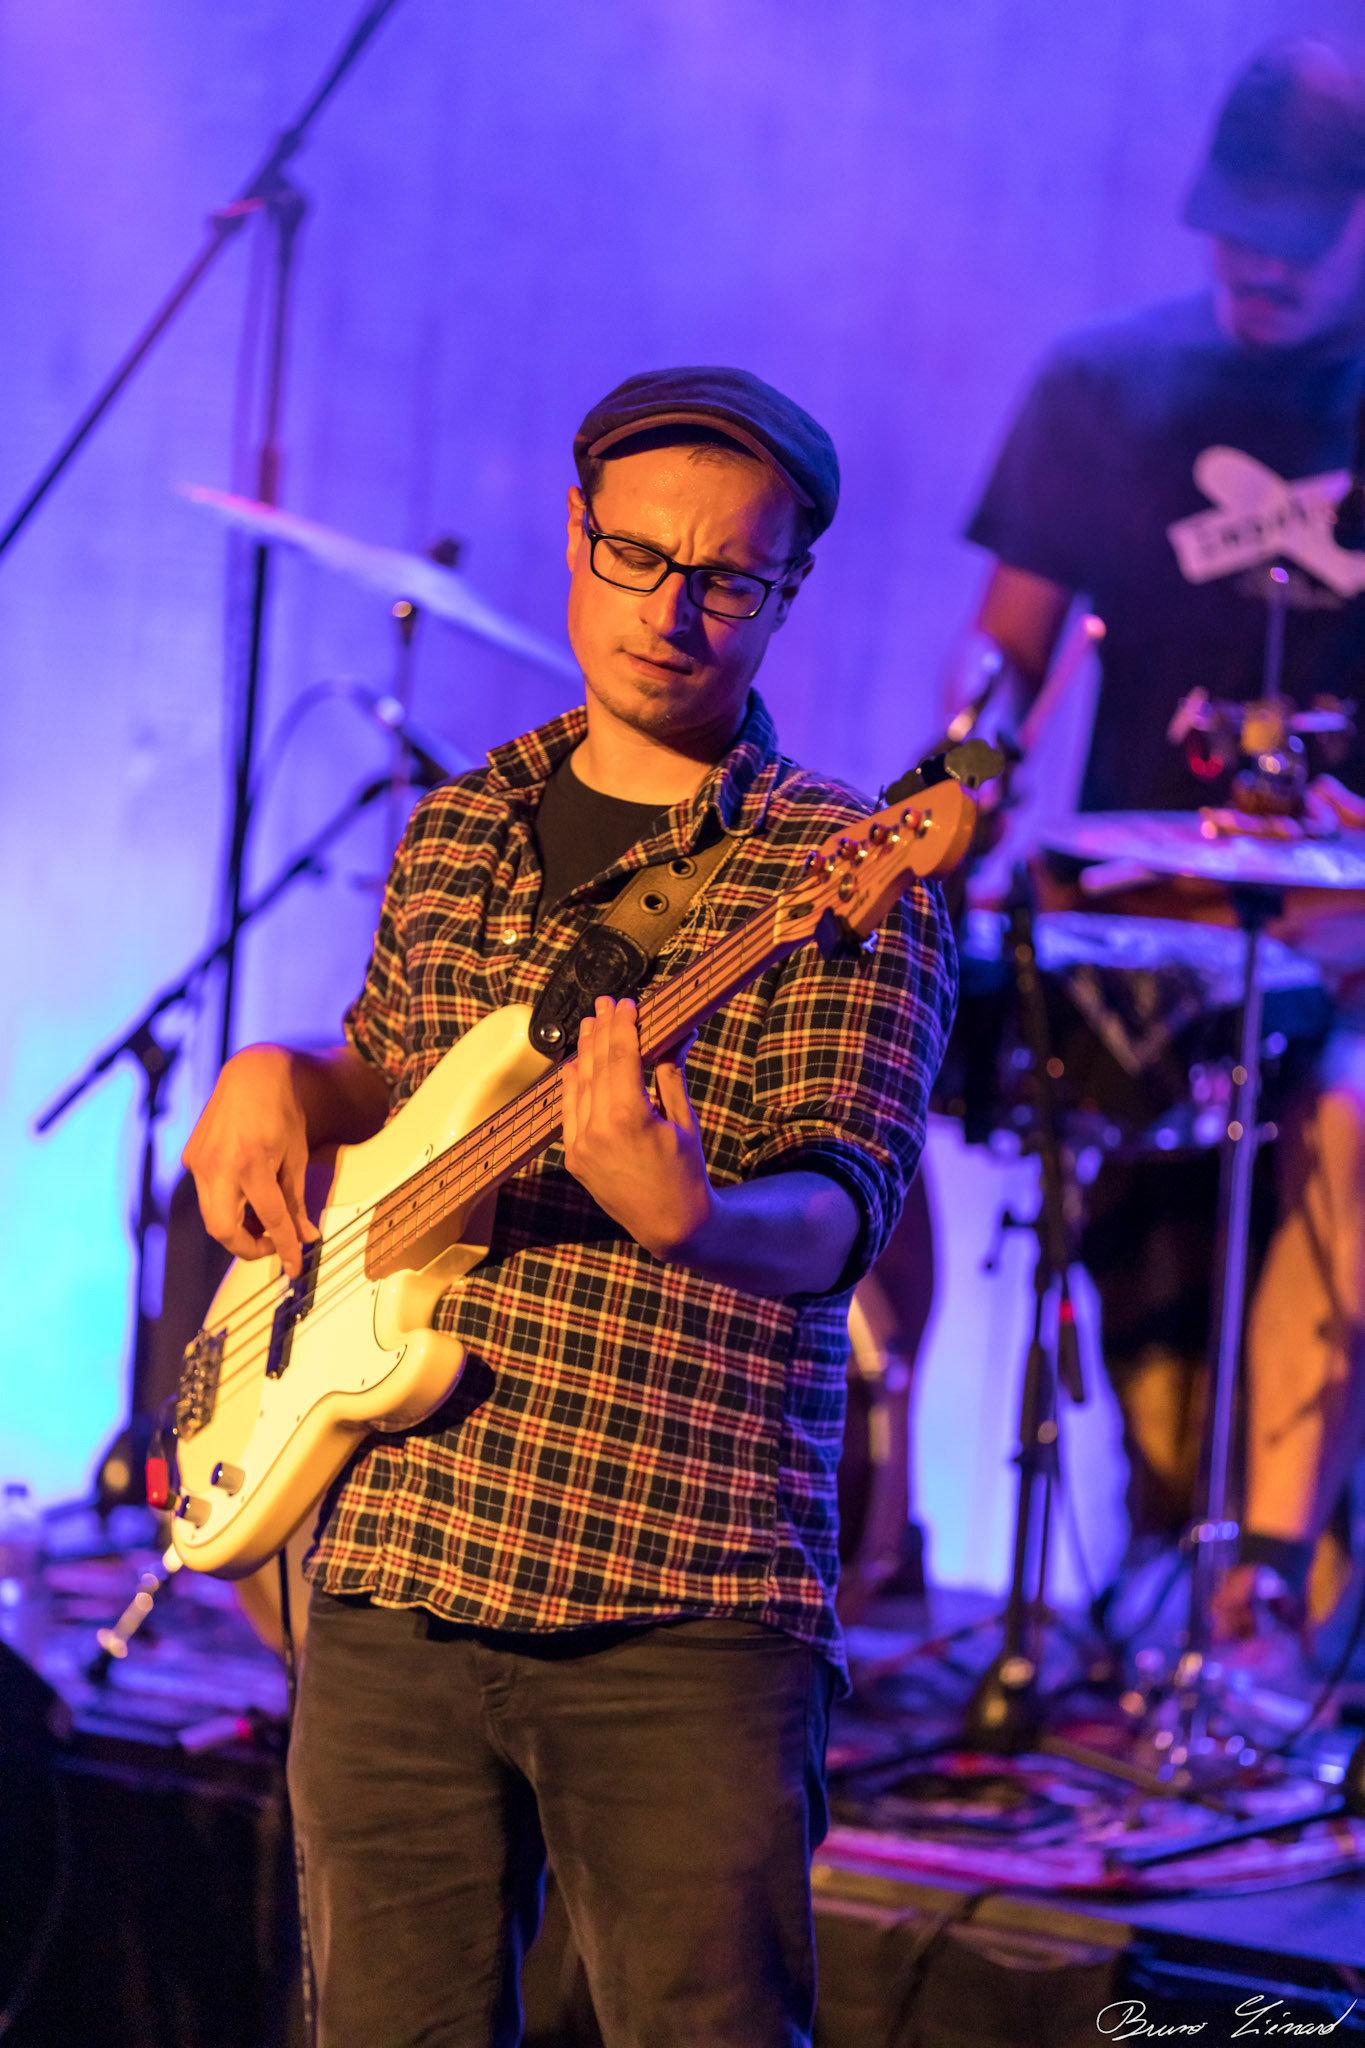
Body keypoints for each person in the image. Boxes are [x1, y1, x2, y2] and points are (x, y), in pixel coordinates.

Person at [182, 366, 957, 2048]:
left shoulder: (843, 876)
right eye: (636, 556)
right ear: (574, 534)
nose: (669, 612)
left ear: (786, 592)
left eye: (725, 579)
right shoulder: (458, 822)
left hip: (677, 1596)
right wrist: (276, 1075)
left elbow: (838, 1209)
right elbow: (395, 1083)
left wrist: (694, 1218)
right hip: (397, 1557)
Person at [951, 38, 1365, 1665]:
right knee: (863, 1043)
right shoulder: (1101, 382)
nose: (1254, 260)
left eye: (1293, 230)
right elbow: (1005, 649)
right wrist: (964, 768)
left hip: (1342, 936)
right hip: (1136, 916)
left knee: (1341, 1129)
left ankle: (1267, 1587)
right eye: (1232, 223)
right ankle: (894, 1518)